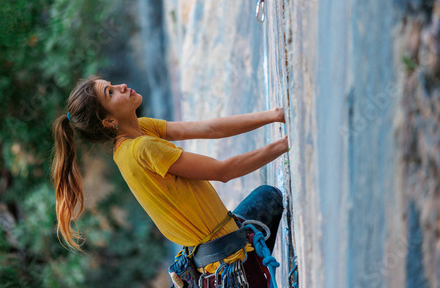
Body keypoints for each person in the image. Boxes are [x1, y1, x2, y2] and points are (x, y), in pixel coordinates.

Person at [51, 75, 289, 287]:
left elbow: (210, 129)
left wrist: (276, 115)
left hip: (210, 253)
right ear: (108, 121)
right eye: (111, 93)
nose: (121, 86)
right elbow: (223, 171)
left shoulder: (137, 133)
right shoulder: (143, 148)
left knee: (267, 198)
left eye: (112, 84)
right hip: (225, 261)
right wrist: (285, 143)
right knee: (267, 200)